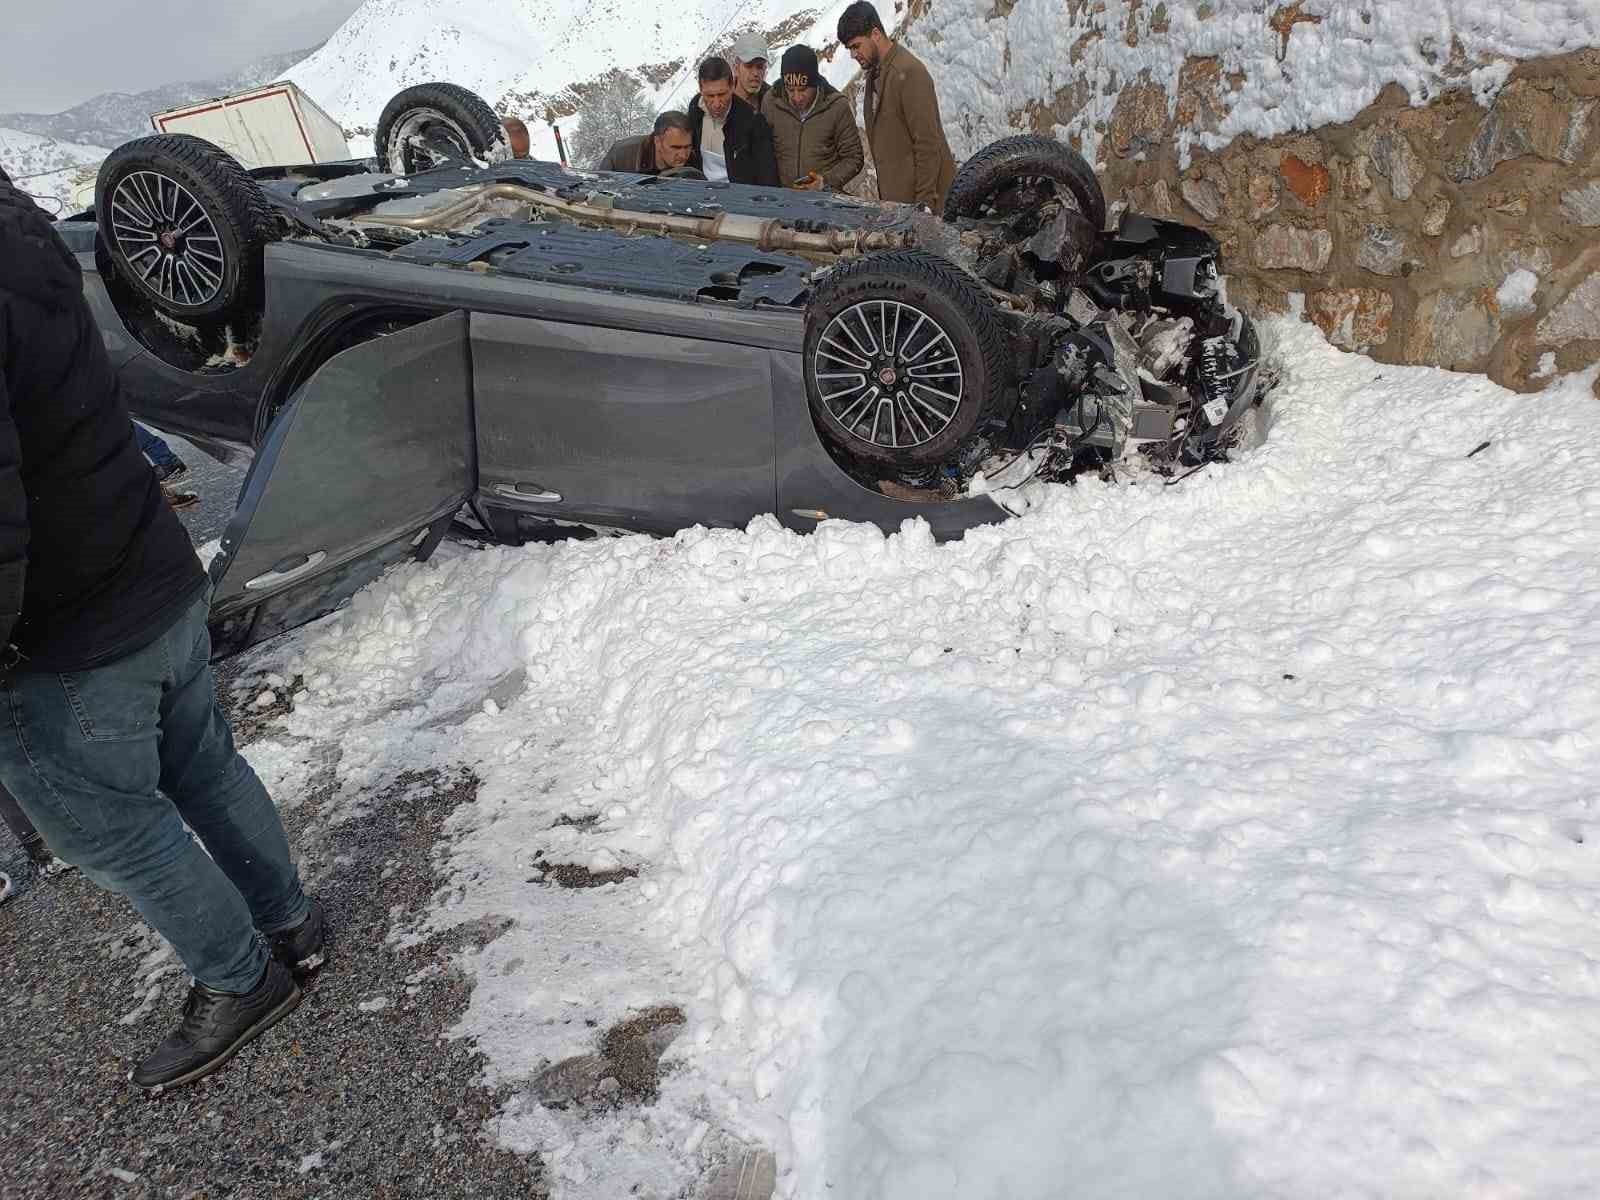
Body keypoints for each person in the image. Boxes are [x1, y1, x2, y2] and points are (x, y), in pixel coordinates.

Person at [0, 168, 326, 1092]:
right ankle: (289, 921)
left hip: (62, 634)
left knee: (116, 829)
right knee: (203, 763)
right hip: (148, 568)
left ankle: (239, 981)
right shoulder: (17, 224)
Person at [836, 0, 956, 213]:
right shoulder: (875, 74)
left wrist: (925, 204)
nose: (853, 55)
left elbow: (928, 144)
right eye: (849, 49)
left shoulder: (908, 72)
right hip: (901, 208)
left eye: (855, 46)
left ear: (875, 34)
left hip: (928, 209)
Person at [763, 44, 864, 192]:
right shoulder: (772, 102)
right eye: (790, 90)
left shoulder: (836, 106)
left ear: (815, 84)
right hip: (783, 199)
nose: (797, 97)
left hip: (824, 201)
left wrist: (825, 181)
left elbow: (854, 158)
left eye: (803, 90)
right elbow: (763, 151)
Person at [686, 57, 780, 187]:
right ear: (700, 89)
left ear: (731, 87)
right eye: (710, 96)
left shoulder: (753, 122)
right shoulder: (695, 109)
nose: (716, 103)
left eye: (722, 94)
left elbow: (767, 176)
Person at [597, 111, 696, 175]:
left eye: (687, 147)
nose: (683, 155)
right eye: (675, 148)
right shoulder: (621, 154)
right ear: (657, 141)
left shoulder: (695, 159)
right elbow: (599, 188)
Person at [730, 32, 772, 109]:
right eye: (748, 66)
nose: (755, 73)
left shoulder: (775, 102)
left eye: (760, 66)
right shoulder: (721, 103)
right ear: (736, 68)